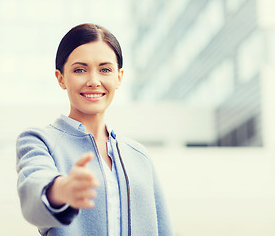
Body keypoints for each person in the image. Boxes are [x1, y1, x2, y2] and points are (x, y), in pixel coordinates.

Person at [16, 23, 173, 236]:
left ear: (119, 76)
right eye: (80, 70)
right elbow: (33, 194)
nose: (93, 81)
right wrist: (61, 189)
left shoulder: (139, 156)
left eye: (105, 69)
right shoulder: (39, 140)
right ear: (61, 78)